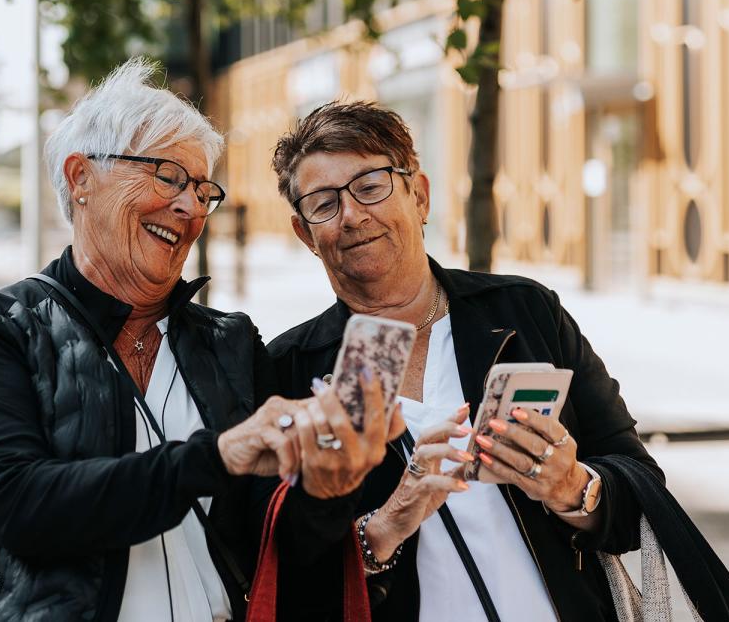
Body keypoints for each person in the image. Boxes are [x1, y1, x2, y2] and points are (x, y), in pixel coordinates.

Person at [0, 61, 400, 621]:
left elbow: (274, 542)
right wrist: (216, 456)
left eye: (203, 189)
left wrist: (327, 489)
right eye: (168, 176)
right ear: (81, 178)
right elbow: (20, 506)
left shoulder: (229, 343)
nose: (191, 208)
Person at [266, 101, 664, 621]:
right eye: (324, 203)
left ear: (420, 195)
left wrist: (573, 487)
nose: (352, 215)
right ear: (305, 235)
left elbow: (639, 489)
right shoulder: (289, 368)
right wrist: (384, 526)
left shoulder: (526, 312)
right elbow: (284, 564)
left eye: (370, 186)